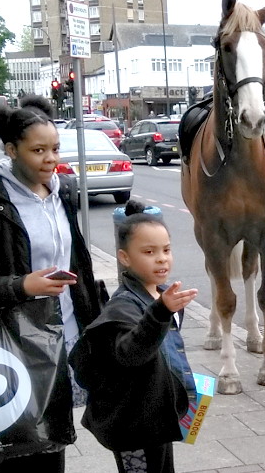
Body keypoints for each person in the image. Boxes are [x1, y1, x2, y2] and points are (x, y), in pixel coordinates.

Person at [0, 95, 104, 472]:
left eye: (55, 148)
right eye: (38, 150)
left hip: (64, 340)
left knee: (48, 442)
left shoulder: (61, 192)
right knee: (27, 448)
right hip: (19, 347)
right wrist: (24, 286)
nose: (51, 159)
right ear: (11, 150)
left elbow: (79, 266)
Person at [72, 200, 197, 473]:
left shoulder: (161, 293)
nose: (162, 258)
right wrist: (161, 312)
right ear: (125, 257)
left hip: (158, 414)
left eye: (166, 250)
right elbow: (131, 352)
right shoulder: (124, 305)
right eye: (149, 252)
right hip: (134, 424)